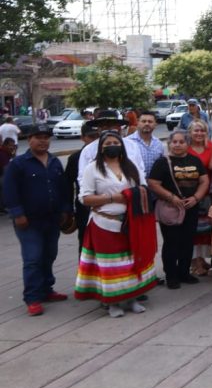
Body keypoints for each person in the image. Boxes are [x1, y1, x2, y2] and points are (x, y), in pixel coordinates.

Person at [74, 130, 158, 316]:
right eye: (107, 143)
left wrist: (130, 196)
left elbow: (143, 189)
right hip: (104, 223)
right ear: (101, 147)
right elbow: (85, 198)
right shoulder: (92, 168)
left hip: (131, 223)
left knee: (130, 260)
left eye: (115, 142)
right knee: (109, 265)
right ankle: (113, 303)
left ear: (121, 146)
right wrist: (113, 198)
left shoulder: (132, 166)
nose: (112, 145)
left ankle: (132, 298)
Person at [2, 124, 72, 316]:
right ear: (29, 139)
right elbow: (9, 191)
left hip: (52, 219)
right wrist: (18, 214)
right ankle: (32, 298)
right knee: (32, 258)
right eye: (38, 137)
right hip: (29, 221)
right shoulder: (18, 164)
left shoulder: (55, 161)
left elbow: (64, 188)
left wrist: (66, 210)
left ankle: (46, 289)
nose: (43, 141)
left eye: (46, 137)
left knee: (49, 255)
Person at [148, 130, 210, 289]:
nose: (177, 145)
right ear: (169, 144)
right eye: (174, 142)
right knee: (171, 242)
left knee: (187, 241)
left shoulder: (194, 160)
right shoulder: (162, 162)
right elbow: (153, 183)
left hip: (191, 207)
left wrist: (196, 197)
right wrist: (171, 197)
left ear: (187, 144)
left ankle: (184, 272)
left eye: (181, 142)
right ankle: (171, 275)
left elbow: (204, 181)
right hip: (171, 208)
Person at [78, 109, 146, 180]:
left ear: (119, 128)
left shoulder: (132, 146)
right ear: (98, 129)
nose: (109, 129)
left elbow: (140, 171)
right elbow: (82, 178)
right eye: (104, 126)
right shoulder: (88, 150)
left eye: (113, 126)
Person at [186, 120, 212, 277]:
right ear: (190, 132)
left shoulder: (210, 146)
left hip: (207, 192)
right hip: (189, 192)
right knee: (192, 229)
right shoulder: (185, 147)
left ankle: (201, 258)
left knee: (205, 229)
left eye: (202, 131)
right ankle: (194, 262)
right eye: (196, 131)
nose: (199, 133)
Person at [64, 126, 100, 249]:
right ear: (83, 138)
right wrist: (68, 210)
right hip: (84, 208)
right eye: (91, 137)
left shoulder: (110, 154)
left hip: (106, 208)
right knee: (85, 241)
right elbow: (68, 185)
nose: (95, 140)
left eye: (97, 136)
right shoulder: (75, 158)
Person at [124, 110, 166, 178]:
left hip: (154, 185)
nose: (147, 124)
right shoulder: (127, 142)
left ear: (155, 125)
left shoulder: (158, 144)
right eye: (143, 121)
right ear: (138, 123)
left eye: (150, 121)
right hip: (135, 184)